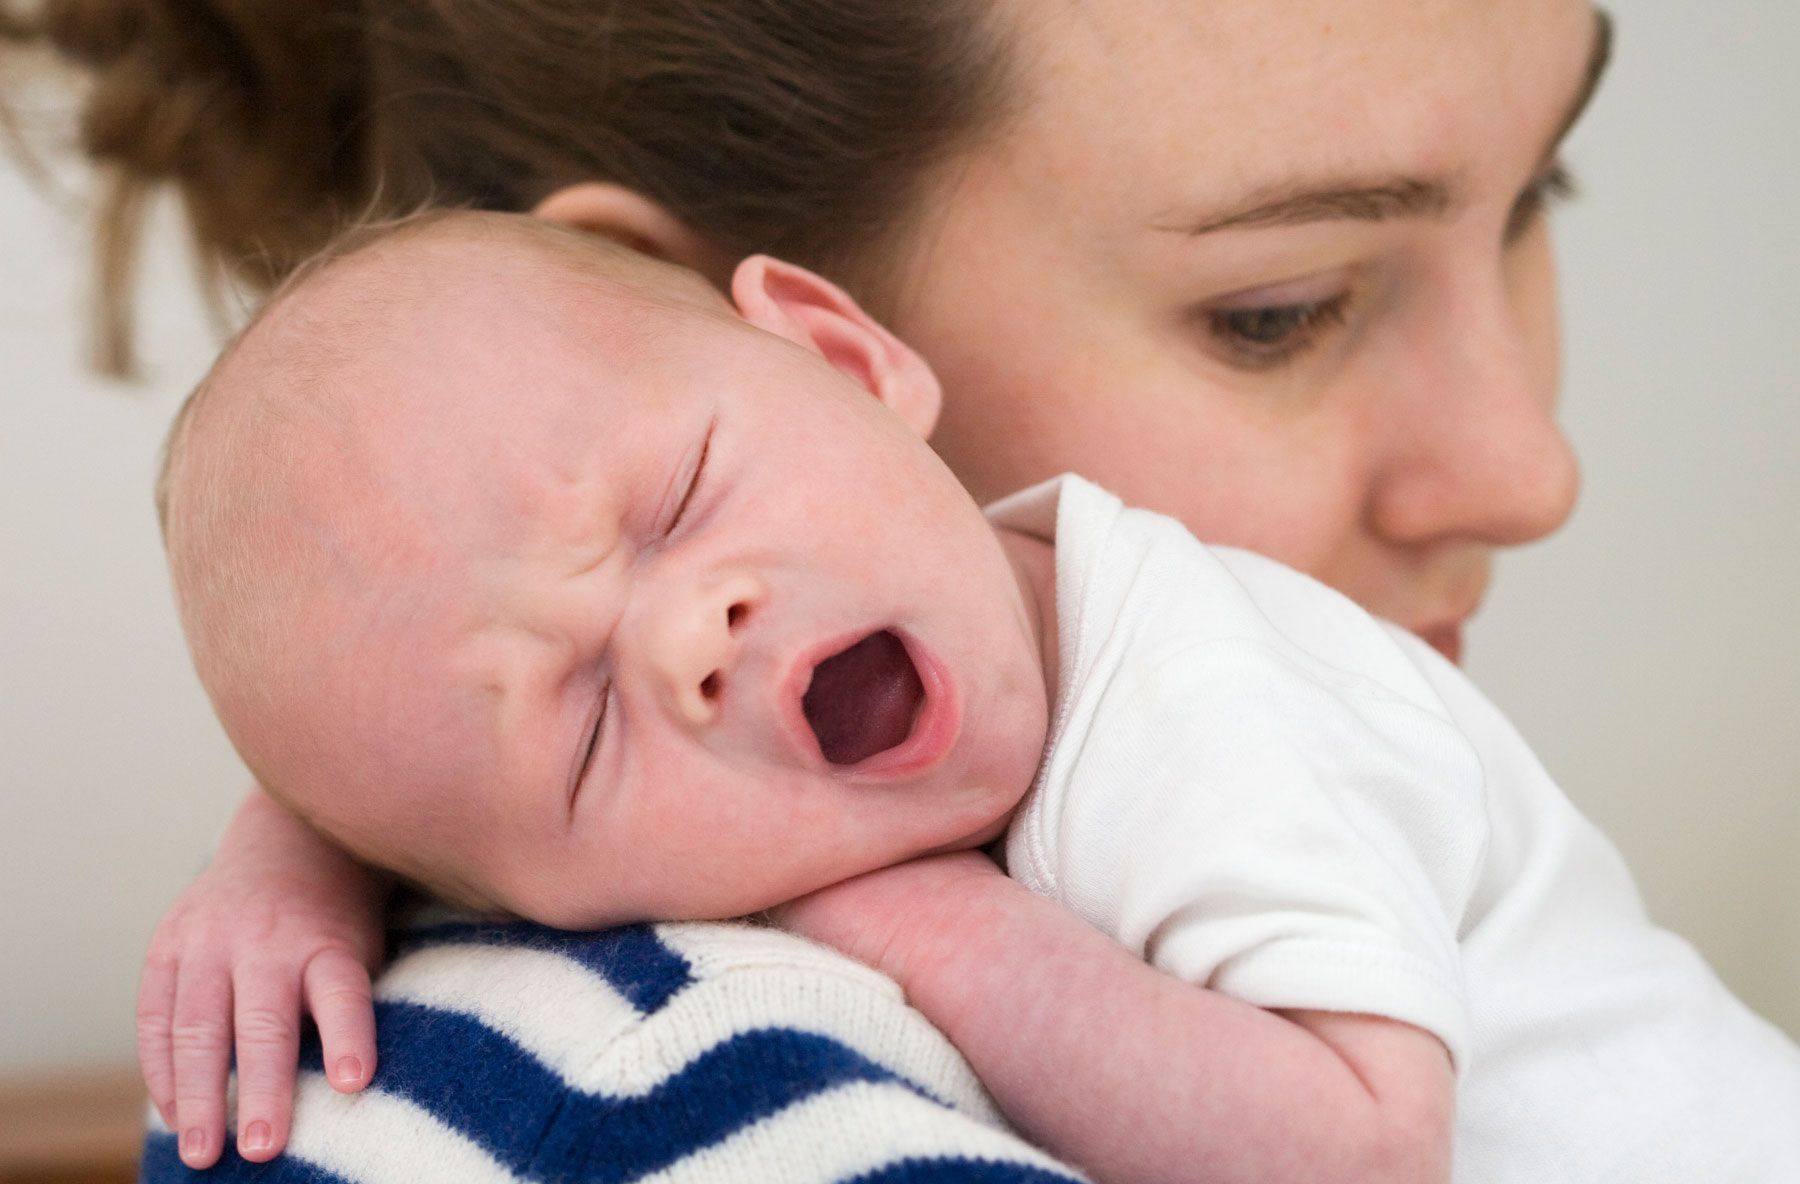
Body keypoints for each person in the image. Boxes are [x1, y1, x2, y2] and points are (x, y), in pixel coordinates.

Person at [8, 0, 1710, 1176]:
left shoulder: (1206, 691)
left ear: (827, 351)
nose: (1533, 474)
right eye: (1276, 305)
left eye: (1535, 195)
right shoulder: (634, 1040)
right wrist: (295, 851)